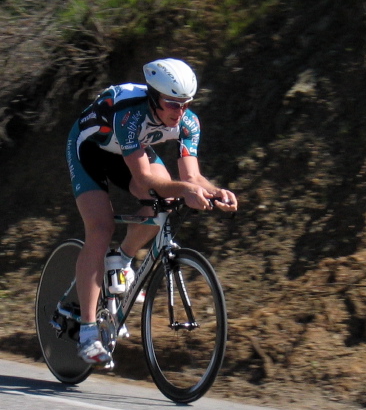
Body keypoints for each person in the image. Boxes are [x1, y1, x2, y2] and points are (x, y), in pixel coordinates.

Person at [65, 58, 238, 365]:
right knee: (101, 228)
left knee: (166, 201)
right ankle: (88, 332)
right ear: (153, 97)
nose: (179, 112)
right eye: (172, 103)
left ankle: (123, 261)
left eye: (185, 104)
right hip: (90, 150)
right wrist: (185, 190)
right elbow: (145, 179)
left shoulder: (187, 122)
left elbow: (192, 178)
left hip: (130, 152)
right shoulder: (130, 114)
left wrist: (216, 192)